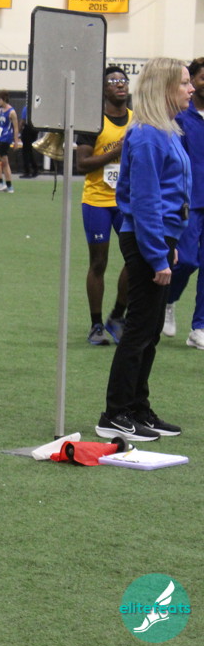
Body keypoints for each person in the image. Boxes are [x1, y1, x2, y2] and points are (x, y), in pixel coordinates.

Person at [95, 57, 193, 442]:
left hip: (159, 238)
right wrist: (155, 253)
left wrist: (168, 246)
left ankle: (137, 407)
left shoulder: (165, 131)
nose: (191, 89)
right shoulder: (149, 134)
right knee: (139, 330)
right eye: (184, 82)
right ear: (165, 87)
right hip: (145, 239)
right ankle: (115, 413)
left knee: (150, 330)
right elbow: (146, 200)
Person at [76, 66, 132, 346]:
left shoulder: (137, 121)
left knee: (137, 259)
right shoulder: (93, 123)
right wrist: (117, 151)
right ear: (103, 89)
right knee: (99, 263)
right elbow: (82, 164)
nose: (120, 85)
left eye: (123, 80)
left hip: (127, 202)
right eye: (113, 81)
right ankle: (96, 324)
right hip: (97, 201)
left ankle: (117, 317)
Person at [164, 56, 204, 350]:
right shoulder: (180, 117)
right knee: (187, 260)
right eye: (202, 78)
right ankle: (167, 300)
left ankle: (199, 327)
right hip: (190, 202)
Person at [0, 90, 21, 193]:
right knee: (5, 162)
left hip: (6, 139)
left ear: (4, 99)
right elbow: (1, 124)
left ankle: (0, 183)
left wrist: (16, 141)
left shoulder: (12, 112)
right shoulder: (0, 110)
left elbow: (16, 127)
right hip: (0, 137)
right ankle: (9, 187)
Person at [18, 104, 39, 178]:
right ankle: (35, 169)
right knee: (29, 150)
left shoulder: (26, 108)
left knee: (25, 151)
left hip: (27, 129)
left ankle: (27, 171)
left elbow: (23, 120)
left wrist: (18, 131)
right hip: (35, 129)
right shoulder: (36, 108)